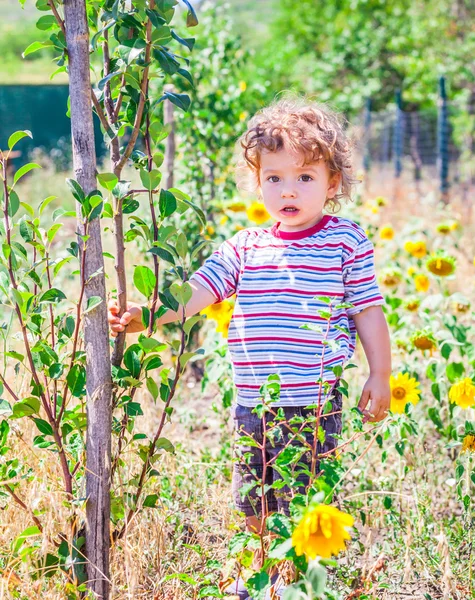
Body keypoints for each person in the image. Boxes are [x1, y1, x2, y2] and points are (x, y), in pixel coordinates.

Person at [108, 96, 392, 599]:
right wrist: (148, 314)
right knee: (251, 497)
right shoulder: (245, 245)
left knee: (301, 499)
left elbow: (368, 309)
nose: (289, 190)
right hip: (253, 401)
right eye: (274, 177)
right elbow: (199, 291)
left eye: (305, 178)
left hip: (314, 401)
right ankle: (250, 572)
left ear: (332, 183)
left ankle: (296, 580)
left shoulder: (346, 240)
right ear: (257, 181)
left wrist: (379, 374)